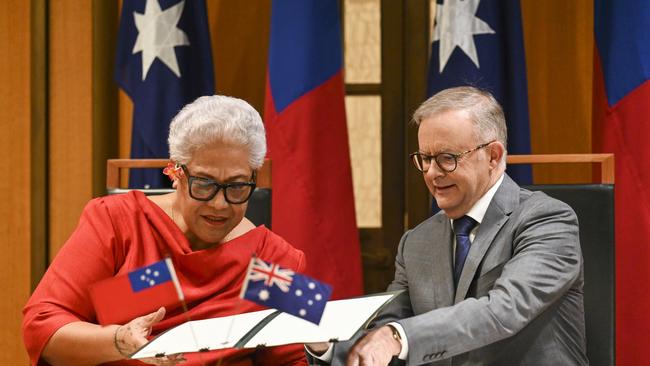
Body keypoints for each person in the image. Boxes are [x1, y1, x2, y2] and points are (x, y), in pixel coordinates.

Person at [307, 86, 587, 365]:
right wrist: (328, 344)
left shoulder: (548, 220)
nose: (431, 172)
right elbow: (390, 328)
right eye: (425, 159)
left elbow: (504, 309)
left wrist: (397, 336)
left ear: (493, 156)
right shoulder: (416, 241)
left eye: (447, 158)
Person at [23, 95, 309, 366]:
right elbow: (42, 325)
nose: (220, 204)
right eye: (205, 184)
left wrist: (337, 347)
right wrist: (118, 341)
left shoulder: (274, 260)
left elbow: (301, 354)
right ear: (175, 173)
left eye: (236, 186)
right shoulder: (120, 222)